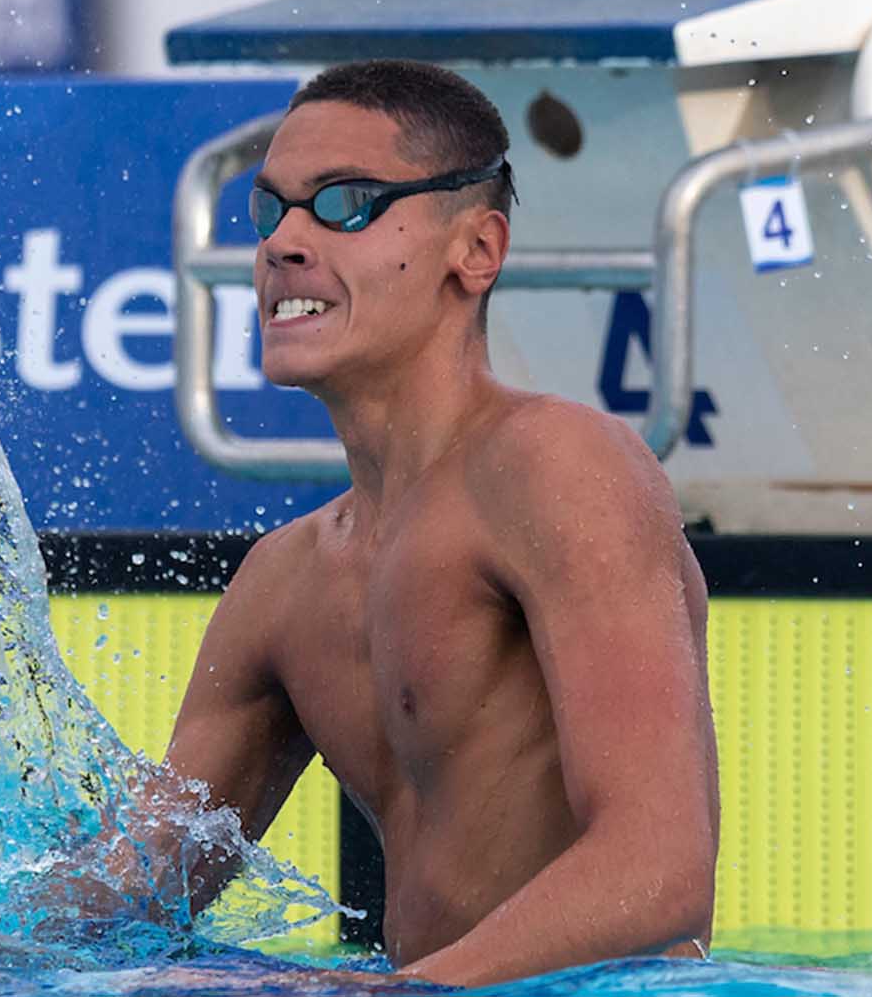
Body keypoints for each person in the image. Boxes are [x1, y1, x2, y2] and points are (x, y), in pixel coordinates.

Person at [142, 59, 721, 989]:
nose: (283, 241)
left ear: (476, 250)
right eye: (270, 209)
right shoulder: (284, 580)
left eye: (345, 204)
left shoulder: (558, 468)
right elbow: (127, 894)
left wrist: (387, 995)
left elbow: (657, 875)